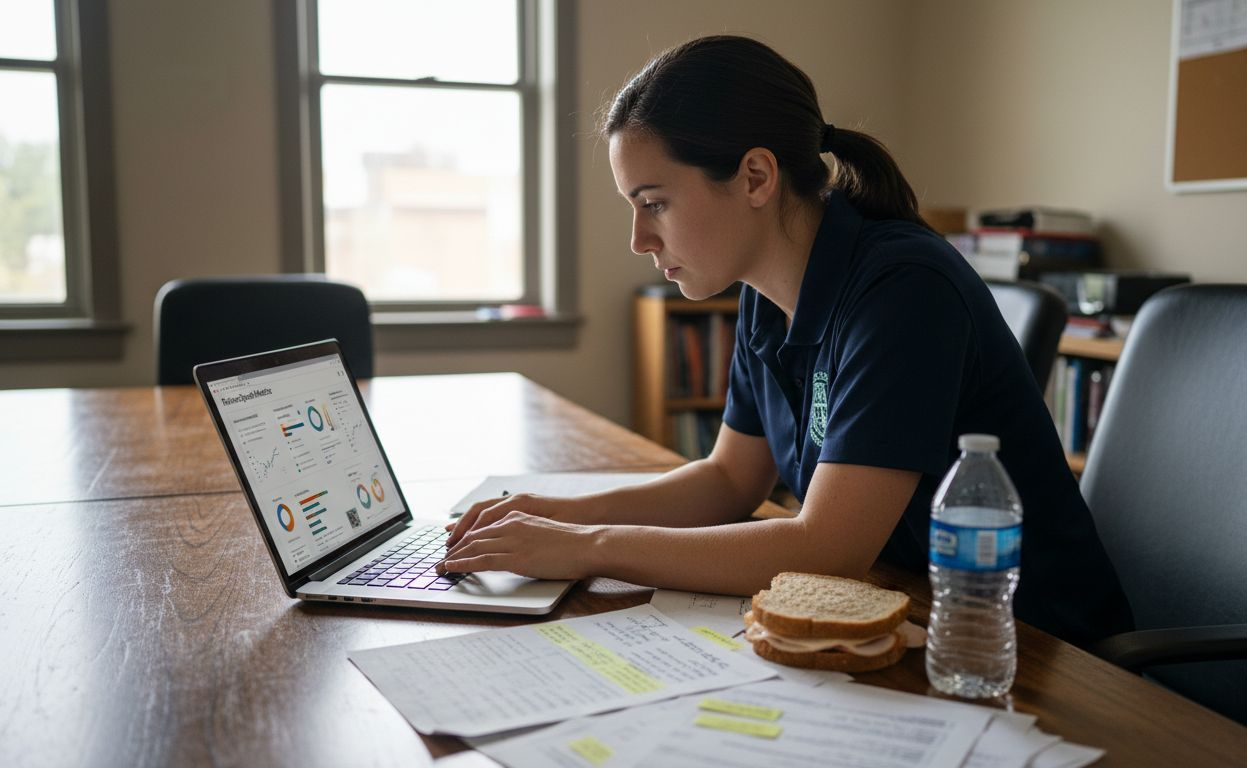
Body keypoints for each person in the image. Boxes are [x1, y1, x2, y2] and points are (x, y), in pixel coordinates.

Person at [436, 35, 1132, 646]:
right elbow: (728, 480)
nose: (639, 240)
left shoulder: (902, 289)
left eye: (655, 203)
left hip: (1024, 644)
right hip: (901, 611)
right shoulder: (769, 297)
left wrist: (585, 548)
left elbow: (827, 547)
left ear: (756, 177)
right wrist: (548, 515)